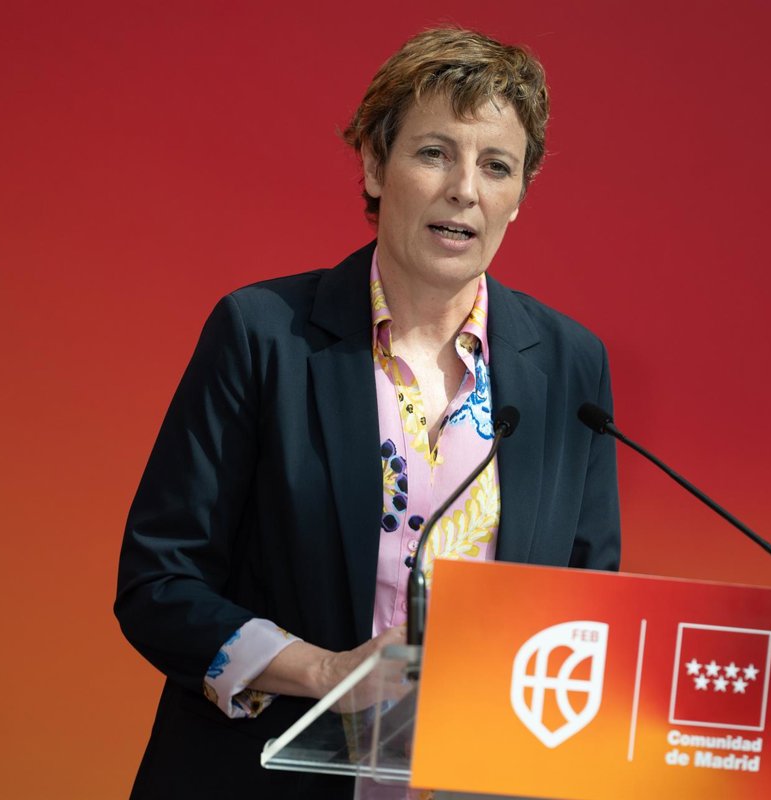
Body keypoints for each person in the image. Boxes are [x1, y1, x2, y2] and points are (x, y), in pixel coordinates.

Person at [115, 27, 619, 798]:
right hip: (264, 777)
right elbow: (160, 581)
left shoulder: (568, 365)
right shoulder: (265, 335)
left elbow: (587, 605)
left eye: (496, 166)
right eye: (434, 153)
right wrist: (325, 672)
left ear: (519, 196)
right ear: (376, 166)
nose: (465, 189)